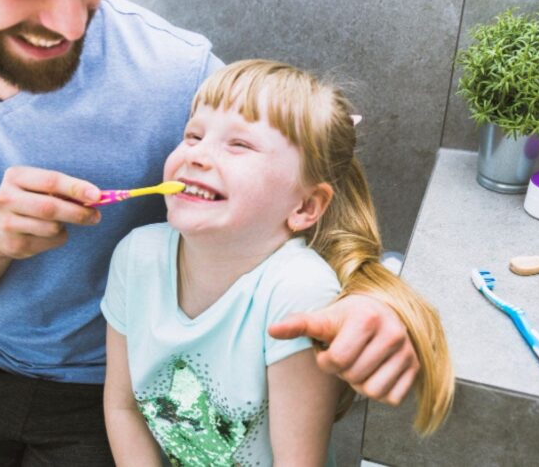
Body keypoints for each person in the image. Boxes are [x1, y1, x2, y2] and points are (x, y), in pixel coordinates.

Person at [0, 0, 428, 464]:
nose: (70, 22)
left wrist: (379, 306)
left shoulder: (175, 70)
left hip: (116, 380)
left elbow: (307, 198)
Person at [102, 60, 454, 466]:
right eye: (193, 135)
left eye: (239, 144)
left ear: (305, 206)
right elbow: (122, 407)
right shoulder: (136, 257)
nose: (196, 155)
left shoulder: (298, 293)